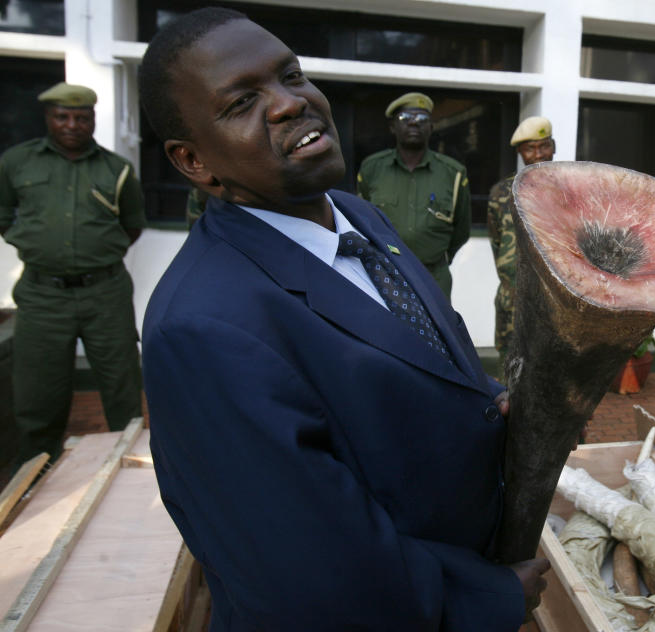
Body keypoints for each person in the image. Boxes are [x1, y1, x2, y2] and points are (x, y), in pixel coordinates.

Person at [137, 8, 548, 631]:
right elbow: (311, 577)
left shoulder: (358, 217)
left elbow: (407, 360)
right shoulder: (201, 328)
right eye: (242, 102)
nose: (287, 104)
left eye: (290, 75)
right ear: (195, 162)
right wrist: (481, 600)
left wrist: (487, 401)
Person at [0, 82, 145, 464]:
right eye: (62, 116)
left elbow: (132, 225)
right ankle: (35, 478)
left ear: (93, 120)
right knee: (38, 397)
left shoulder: (117, 169)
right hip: (42, 295)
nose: (72, 125)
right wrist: (37, 246)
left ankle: (126, 470)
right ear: (48, 118)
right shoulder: (16, 163)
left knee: (122, 389)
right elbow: (3, 215)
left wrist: (94, 256)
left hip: (106, 293)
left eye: (81, 117)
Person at [356, 92, 471, 298]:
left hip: (433, 278)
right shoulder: (372, 169)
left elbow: (461, 230)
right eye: (405, 119)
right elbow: (360, 221)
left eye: (422, 119)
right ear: (393, 127)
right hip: (384, 274)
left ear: (431, 128)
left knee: (436, 330)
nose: (413, 124)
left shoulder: (453, 173)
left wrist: (436, 257)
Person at [487, 116, 555, 372]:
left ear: (554, 147)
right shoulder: (501, 193)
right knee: (511, 373)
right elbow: (497, 243)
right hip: (512, 302)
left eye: (544, 146)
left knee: (551, 374)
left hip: (554, 308)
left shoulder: (568, 191)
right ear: (520, 152)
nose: (538, 154)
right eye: (530, 148)